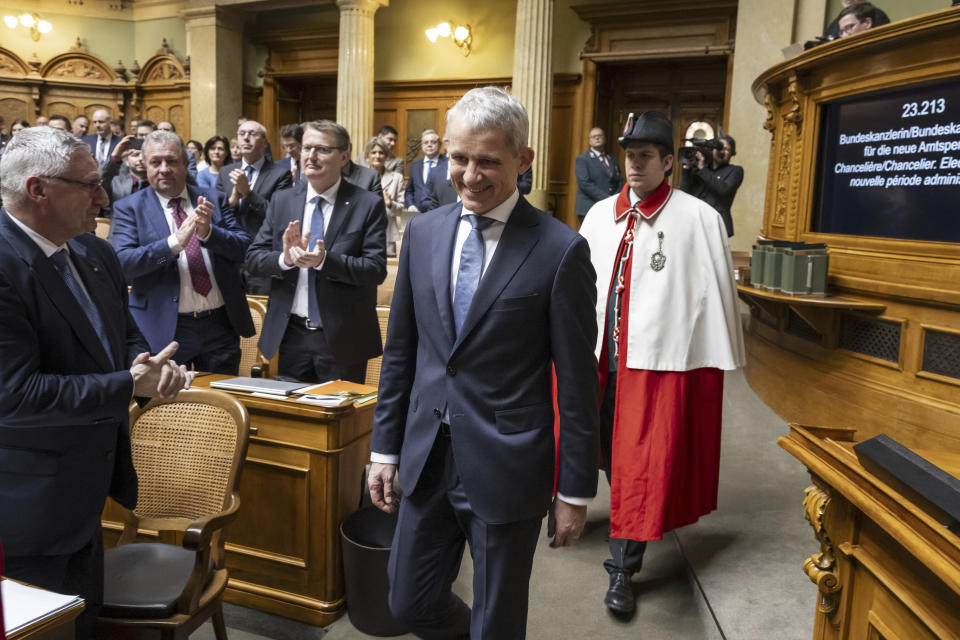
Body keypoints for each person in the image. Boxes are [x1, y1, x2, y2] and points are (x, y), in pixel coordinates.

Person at [367, 87, 600, 639]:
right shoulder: (423, 233)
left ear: (524, 161)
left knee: (497, 622)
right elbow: (402, 351)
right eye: (459, 158)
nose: (470, 175)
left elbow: (576, 384)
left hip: (507, 462)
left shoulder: (560, 249)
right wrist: (384, 448)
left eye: (488, 161)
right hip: (427, 458)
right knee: (407, 601)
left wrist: (574, 491)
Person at [0, 126, 191, 639]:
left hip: (89, 488)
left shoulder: (93, 251)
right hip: (29, 506)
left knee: (85, 626)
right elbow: (14, 397)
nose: (105, 196)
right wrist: (129, 385)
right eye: (89, 185)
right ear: (37, 190)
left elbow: (122, 333)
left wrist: (148, 364)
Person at [578, 111, 744, 615]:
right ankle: (597, 510)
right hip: (600, 358)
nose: (634, 165)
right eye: (629, 155)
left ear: (669, 162)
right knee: (599, 446)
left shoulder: (698, 218)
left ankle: (623, 568)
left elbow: (709, 299)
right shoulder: (598, 215)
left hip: (655, 364)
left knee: (640, 464)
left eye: (646, 156)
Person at [245, 119, 387, 384]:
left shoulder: (367, 204)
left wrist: (324, 261)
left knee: (340, 422)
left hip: (343, 339)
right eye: (306, 148)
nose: (311, 156)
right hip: (291, 335)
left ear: (344, 155)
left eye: (322, 149)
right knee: (293, 422)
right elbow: (253, 258)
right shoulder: (283, 200)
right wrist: (284, 259)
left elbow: (375, 269)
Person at [111, 130, 254, 374]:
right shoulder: (129, 208)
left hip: (219, 325)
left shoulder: (213, 199)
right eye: (156, 162)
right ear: (145, 166)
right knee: (166, 406)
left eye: (172, 161)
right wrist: (173, 244)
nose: (164, 169)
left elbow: (245, 249)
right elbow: (124, 264)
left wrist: (209, 233)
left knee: (222, 405)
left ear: (186, 164)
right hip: (165, 328)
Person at [217, 119, 293, 292]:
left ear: (265, 142)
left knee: (260, 314)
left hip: (262, 256)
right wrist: (232, 201)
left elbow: (279, 217)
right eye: (242, 134)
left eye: (252, 134)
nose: (246, 138)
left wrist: (249, 194)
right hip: (230, 256)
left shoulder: (280, 175)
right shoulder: (225, 172)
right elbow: (217, 216)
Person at [680, 134, 743, 236]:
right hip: (694, 224)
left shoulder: (735, 171)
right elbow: (684, 193)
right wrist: (687, 169)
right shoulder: (700, 170)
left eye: (726, 149)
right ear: (713, 150)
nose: (722, 151)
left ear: (732, 153)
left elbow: (724, 189)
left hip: (717, 226)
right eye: (719, 147)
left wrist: (702, 169)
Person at [365, 136, 407, 257]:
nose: (377, 156)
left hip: (387, 235)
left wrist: (390, 203)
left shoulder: (396, 178)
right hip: (363, 234)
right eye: (373, 152)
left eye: (381, 153)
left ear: (386, 156)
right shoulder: (359, 177)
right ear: (368, 155)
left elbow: (400, 210)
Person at [575, 127, 624, 220]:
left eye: (599, 136)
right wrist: (607, 198)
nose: (597, 138)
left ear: (605, 139)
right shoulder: (583, 159)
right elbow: (584, 184)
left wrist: (615, 198)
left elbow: (620, 181)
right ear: (589, 141)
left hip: (610, 207)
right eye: (594, 137)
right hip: (589, 207)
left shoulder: (612, 159)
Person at [404, 129, 447, 212]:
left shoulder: (447, 163)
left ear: (439, 144)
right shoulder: (415, 166)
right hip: (417, 212)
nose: (429, 145)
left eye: (433, 142)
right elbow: (409, 191)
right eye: (426, 142)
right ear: (422, 146)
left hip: (440, 212)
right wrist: (410, 205)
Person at [824, 0, 888, 40]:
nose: (845, 35)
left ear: (868, 22)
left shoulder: (877, 14)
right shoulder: (836, 22)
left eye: (849, 27)